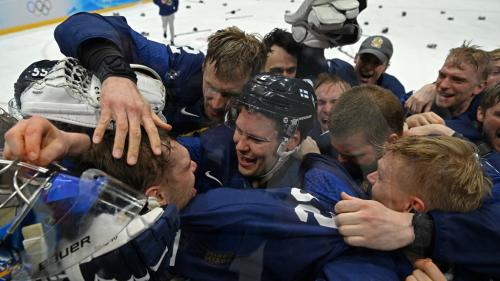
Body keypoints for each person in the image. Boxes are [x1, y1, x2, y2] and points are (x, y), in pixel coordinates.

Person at [3, 115, 405, 281]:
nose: (194, 166)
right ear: (155, 196)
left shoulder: (219, 217)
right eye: (185, 167)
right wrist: (72, 141)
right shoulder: (207, 212)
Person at [54, 12, 266, 164]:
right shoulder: (179, 65)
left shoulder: (258, 106)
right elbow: (78, 24)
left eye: (231, 95)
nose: (218, 103)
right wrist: (115, 74)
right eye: (211, 87)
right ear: (204, 65)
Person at [179, 73, 330, 191]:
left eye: (255, 139)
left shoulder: (307, 183)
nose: (240, 146)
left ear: (291, 141)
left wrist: (315, 163)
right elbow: (167, 153)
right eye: (238, 130)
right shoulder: (215, 147)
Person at [328, 84, 405, 186]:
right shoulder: (321, 145)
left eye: (353, 156)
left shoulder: (414, 184)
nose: (340, 160)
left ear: (391, 143)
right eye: (337, 151)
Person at [327, 35, 407, 103]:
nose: (368, 67)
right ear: (356, 58)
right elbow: (317, 64)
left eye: (376, 63)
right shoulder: (337, 71)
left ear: (385, 67)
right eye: (365, 59)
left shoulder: (392, 90)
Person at [308, 73, 351, 156]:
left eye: (335, 102)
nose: (327, 110)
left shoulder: (360, 145)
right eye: (321, 102)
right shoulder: (304, 136)